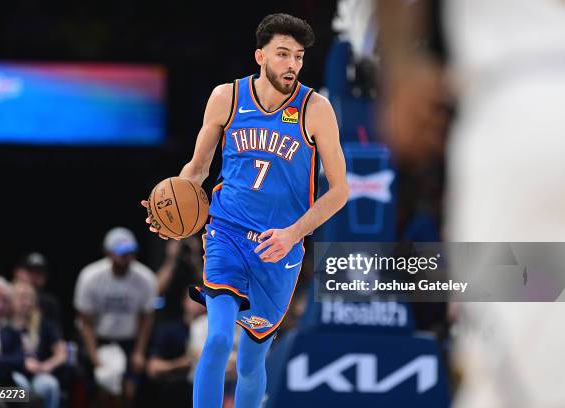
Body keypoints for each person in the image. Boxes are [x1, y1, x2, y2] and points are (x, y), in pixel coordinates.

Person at [142, 13, 349, 408]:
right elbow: (198, 168)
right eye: (283, 54)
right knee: (218, 338)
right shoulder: (227, 97)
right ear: (260, 56)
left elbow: (339, 191)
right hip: (227, 233)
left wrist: (293, 234)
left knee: (253, 360)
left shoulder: (315, 109)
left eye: (299, 56)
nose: (292, 64)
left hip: (278, 249)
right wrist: (169, 207)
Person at [378, 1, 565, 407]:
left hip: (521, 94)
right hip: (524, 96)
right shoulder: (419, 235)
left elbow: (411, 271)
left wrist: (402, 64)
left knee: (510, 377)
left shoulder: (420, 232)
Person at [73, 227, 156, 406]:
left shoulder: (146, 278)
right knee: (103, 391)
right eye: (121, 253)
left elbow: (147, 317)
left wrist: (139, 352)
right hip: (100, 339)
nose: (126, 257)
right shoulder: (90, 277)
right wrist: (95, 359)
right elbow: (85, 322)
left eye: (130, 252)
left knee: (128, 392)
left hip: (129, 341)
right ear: (108, 253)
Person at [10, 280, 65, 408]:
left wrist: (46, 366)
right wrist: (23, 363)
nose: (27, 303)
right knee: (20, 384)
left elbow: (61, 353)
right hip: (14, 371)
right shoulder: (5, 325)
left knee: (49, 385)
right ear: (11, 300)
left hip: (38, 373)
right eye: (22, 298)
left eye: (30, 299)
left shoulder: (43, 324)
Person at [12, 253, 62, 330]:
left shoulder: (49, 303)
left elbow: (55, 336)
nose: (34, 276)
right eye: (30, 271)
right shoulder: (5, 294)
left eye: (39, 272)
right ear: (18, 272)